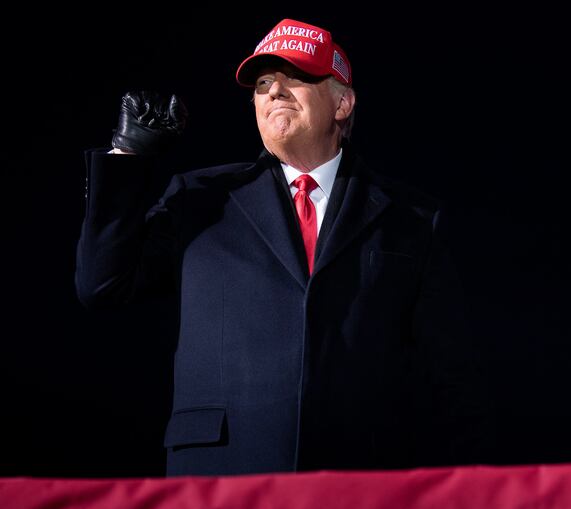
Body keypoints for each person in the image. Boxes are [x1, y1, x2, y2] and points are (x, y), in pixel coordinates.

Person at [76, 18, 485, 475]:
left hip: (359, 480)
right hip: (221, 472)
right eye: (264, 82)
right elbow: (102, 284)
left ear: (342, 103)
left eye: (297, 77)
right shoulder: (200, 198)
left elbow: (449, 377)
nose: (274, 91)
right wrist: (128, 158)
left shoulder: (412, 218)